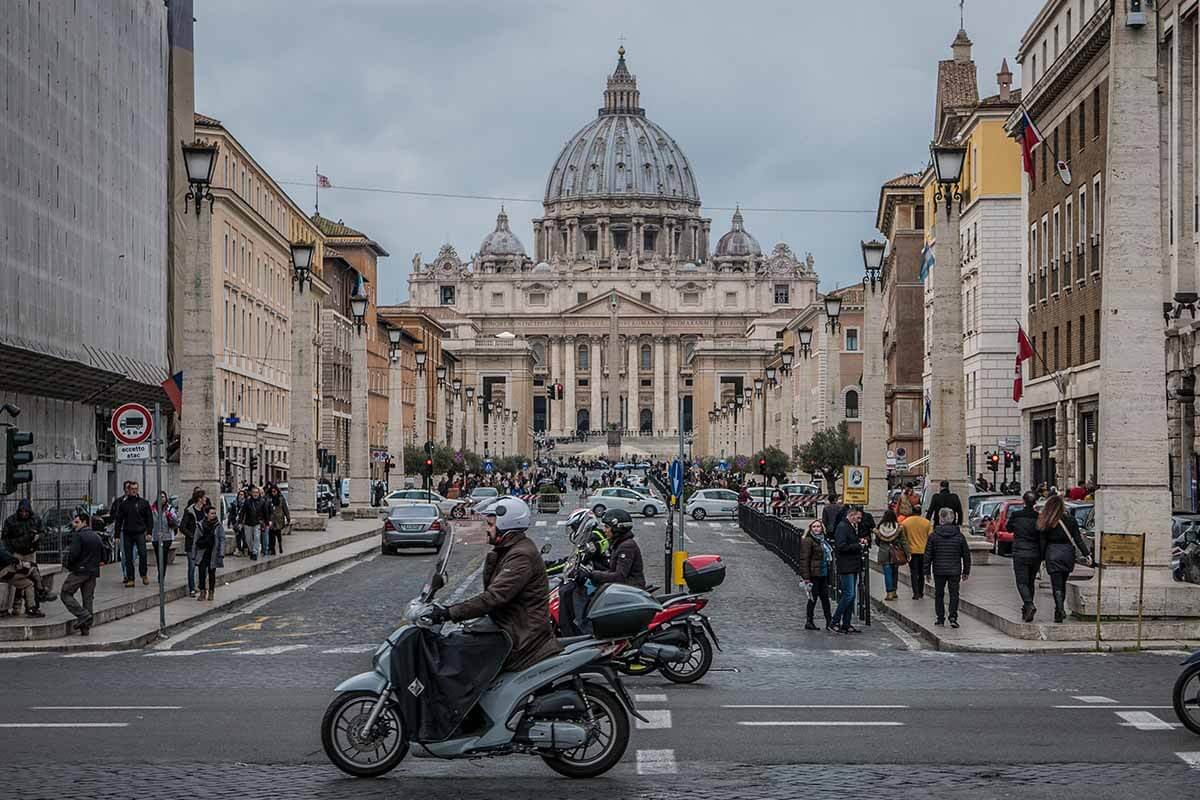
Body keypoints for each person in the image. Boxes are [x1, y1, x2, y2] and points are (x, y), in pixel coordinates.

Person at [427, 498, 563, 672]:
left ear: (505, 526)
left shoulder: (520, 556)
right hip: (510, 625)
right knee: (460, 640)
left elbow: (493, 597)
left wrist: (448, 613)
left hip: (521, 636)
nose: (487, 529)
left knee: (458, 653)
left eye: (491, 524)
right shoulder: (510, 549)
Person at [1038, 494, 1092, 623]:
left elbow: (1042, 542)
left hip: (1052, 553)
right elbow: (1078, 539)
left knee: (1056, 584)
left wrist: (1041, 558)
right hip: (1067, 553)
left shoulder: (1046, 521)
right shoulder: (1071, 520)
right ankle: (1060, 608)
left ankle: (1059, 609)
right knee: (1063, 582)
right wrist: (1087, 554)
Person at [2, 497, 55, 605]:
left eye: (26, 511)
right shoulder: (11, 521)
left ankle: (34, 601)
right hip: (16, 553)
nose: (24, 513)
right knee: (22, 576)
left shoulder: (35, 519)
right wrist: (12, 554)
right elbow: (5, 539)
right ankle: (19, 603)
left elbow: (43, 532)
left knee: (32, 574)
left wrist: (38, 536)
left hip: (30, 552)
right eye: (21, 511)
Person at [925, 507, 971, 627]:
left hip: (939, 570)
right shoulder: (960, 536)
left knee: (939, 594)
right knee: (954, 594)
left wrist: (926, 572)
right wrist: (966, 571)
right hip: (954, 570)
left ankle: (940, 618)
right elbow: (966, 555)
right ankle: (953, 617)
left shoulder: (933, 536)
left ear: (941, 518)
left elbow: (928, 555)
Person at [60, 511, 103, 635]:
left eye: (77, 522)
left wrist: (69, 566)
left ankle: (83, 615)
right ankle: (86, 628)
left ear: (84, 522)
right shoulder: (96, 536)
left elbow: (73, 555)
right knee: (88, 599)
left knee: (65, 593)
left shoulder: (79, 536)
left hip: (80, 571)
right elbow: (103, 555)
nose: (74, 525)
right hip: (93, 572)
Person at [581, 509, 645, 590]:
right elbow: (612, 571)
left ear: (617, 528)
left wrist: (592, 574)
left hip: (631, 589)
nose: (604, 530)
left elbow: (620, 576)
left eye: (607, 527)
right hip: (623, 587)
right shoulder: (618, 543)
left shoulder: (626, 546)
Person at [1005, 492, 1043, 622]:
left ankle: (1029, 604)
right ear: (1035, 503)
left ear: (1024, 501)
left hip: (1020, 552)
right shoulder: (1038, 517)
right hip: (1035, 553)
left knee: (1021, 582)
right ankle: (1027, 608)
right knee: (1030, 582)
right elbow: (1041, 535)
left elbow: (1008, 528)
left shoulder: (1016, 515)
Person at [112, 480, 153, 587]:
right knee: (128, 557)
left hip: (140, 533)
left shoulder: (144, 503)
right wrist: (116, 535)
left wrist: (149, 532)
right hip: (127, 534)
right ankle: (131, 578)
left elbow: (149, 518)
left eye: (136, 489)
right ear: (128, 490)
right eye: (132, 489)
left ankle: (143, 574)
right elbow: (119, 520)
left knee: (143, 554)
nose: (134, 491)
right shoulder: (124, 504)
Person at [831, 507, 864, 634]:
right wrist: (858, 546)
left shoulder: (850, 526)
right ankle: (834, 621)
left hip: (853, 565)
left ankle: (846, 623)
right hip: (846, 565)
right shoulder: (842, 527)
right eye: (858, 517)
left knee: (852, 595)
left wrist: (858, 542)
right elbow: (841, 546)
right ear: (851, 515)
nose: (859, 520)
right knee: (848, 594)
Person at [797, 520, 834, 631]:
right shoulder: (808, 541)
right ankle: (809, 621)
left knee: (825, 599)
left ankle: (829, 621)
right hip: (814, 574)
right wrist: (806, 577)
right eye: (814, 527)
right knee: (812, 599)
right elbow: (804, 559)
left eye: (818, 526)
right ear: (810, 528)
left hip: (823, 573)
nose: (816, 528)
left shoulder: (823, 540)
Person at [192, 504, 225, 601]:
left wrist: (221, 552)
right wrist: (194, 554)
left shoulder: (218, 525)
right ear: (206, 514)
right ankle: (202, 591)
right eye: (211, 513)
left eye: (215, 513)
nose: (214, 515)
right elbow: (195, 539)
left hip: (213, 552)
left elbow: (222, 539)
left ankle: (211, 591)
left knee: (212, 573)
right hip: (203, 552)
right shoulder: (200, 525)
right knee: (201, 572)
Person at [874, 510, 910, 602]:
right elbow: (903, 541)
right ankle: (894, 591)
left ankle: (889, 592)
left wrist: (883, 546)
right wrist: (907, 553)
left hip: (884, 552)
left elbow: (877, 541)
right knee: (895, 572)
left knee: (887, 573)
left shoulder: (880, 528)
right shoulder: (898, 527)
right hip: (895, 553)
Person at [900, 512, 933, 600]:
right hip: (923, 551)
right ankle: (921, 592)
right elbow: (930, 537)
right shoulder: (927, 523)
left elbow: (903, 538)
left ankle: (916, 593)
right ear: (920, 512)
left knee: (913, 573)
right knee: (922, 573)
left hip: (912, 551)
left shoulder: (905, 522)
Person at [179, 489, 206, 597]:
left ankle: (201, 586)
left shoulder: (204, 511)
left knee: (203, 566)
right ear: (199, 499)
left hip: (202, 543)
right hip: (191, 544)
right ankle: (191, 588)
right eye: (204, 497)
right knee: (192, 566)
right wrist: (192, 535)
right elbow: (182, 527)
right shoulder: (189, 512)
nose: (205, 499)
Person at [150, 491, 177, 586]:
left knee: (163, 556)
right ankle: (159, 572)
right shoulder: (152, 509)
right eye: (160, 497)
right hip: (155, 536)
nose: (162, 499)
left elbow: (175, 521)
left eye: (163, 497)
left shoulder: (169, 508)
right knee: (158, 556)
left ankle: (162, 575)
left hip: (167, 536)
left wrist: (170, 515)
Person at [239, 485, 268, 560]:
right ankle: (251, 550)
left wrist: (267, 522)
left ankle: (255, 552)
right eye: (254, 492)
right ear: (251, 493)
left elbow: (265, 512)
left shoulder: (262, 501)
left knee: (257, 538)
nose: (255, 494)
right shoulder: (247, 501)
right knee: (248, 539)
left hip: (257, 523)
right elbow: (243, 512)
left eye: (256, 492)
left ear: (258, 493)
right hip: (248, 523)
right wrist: (240, 521)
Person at [267, 484, 290, 556]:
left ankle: (280, 544)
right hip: (271, 519)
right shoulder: (269, 499)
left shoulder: (281, 498)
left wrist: (288, 517)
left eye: (274, 491)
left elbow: (285, 508)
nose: (273, 493)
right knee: (271, 534)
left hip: (279, 518)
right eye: (272, 491)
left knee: (278, 533)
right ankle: (272, 549)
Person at [229, 489, 246, 556]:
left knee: (244, 537)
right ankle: (239, 549)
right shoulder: (234, 504)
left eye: (242, 495)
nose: (240, 496)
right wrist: (233, 522)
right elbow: (231, 514)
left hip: (244, 523)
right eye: (240, 494)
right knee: (238, 536)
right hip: (236, 522)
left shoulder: (246, 504)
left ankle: (245, 549)